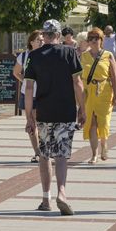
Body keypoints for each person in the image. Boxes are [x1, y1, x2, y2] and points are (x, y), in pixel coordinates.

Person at [24, 20, 85, 215]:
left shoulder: (34, 56)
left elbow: (29, 88)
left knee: (44, 155)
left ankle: (45, 198)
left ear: (44, 34)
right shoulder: (69, 52)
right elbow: (77, 82)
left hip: (44, 111)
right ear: (58, 34)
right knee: (61, 155)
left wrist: (29, 117)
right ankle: (62, 192)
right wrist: (82, 108)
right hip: (65, 111)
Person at [79, 28, 116, 164]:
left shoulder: (108, 55)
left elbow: (114, 77)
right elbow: (78, 77)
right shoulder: (83, 56)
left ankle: (104, 145)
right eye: (91, 39)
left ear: (102, 40)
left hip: (105, 91)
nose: (94, 41)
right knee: (91, 123)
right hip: (89, 91)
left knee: (104, 121)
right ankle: (94, 154)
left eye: (97, 38)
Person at [13, 30, 43, 163]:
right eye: (38, 40)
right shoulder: (24, 56)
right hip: (28, 93)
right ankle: (37, 152)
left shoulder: (46, 55)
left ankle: (43, 150)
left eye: (42, 40)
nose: (41, 42)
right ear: (31, 42)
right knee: (31, 123)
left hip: (42, 93)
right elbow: (16, 72)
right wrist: (25, 81)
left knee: (41, 123)